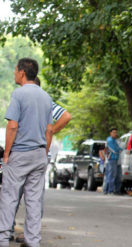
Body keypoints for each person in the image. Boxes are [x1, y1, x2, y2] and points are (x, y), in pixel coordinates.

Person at [9, 76, 72, 244]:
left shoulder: (34, 101)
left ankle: (10, 230)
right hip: (38, 155)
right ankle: (29, 235)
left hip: (25, 154)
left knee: (14, 194)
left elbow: (66, 116)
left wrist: (50, 132)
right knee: (33, 197)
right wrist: (49, 132)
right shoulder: (43, 102)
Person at [0, 58, 53, 247]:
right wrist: (43, 153)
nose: (14, 73)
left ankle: (3, 239)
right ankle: (33, 241)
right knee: (34, 201)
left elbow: (12, 126)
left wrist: (7, 153)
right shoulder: (46, 97)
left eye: (15, 70)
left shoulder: (19, 94)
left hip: (20, 153)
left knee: (9, 197)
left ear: (22, 72)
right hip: (39, 154)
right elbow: (49, 130)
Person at [105, 128, 122, 195]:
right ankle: (110, 190)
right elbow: (115, 149)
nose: (115, 134)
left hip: (115, 159)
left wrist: (120, 149)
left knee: (114, 175)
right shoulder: (110, 140)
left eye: (116, 132)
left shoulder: (114, 140)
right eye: (114, 132)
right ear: (110, 133)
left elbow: (118, 147)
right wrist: (120, 150)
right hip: (112, 158)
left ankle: (110, 190)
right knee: (112, 175)